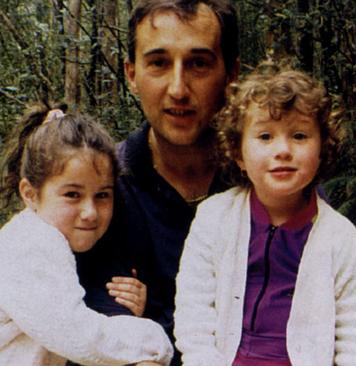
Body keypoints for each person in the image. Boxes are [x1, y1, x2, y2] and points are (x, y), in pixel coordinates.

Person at [0, 104, 173, 366]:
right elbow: (78, 336)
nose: (90, 211)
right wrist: (152, 338)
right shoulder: (32, 246)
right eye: (72, 195)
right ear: (30, 194)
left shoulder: (42, 238)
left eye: (102, 195)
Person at [173, 65, 356, 365]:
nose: (283, 150)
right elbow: (194, 312)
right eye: (265, 136)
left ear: (322, 149)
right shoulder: (215, 218)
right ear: (238, 153)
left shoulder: (341, 238)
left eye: (299, 135)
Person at [74, 0, 239, 363]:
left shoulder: (270, 186)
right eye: (159, 63)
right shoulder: (100, 190)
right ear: (132, 73)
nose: (178, 89)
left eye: (198, 63)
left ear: (231, 74)